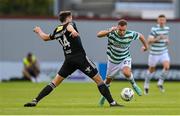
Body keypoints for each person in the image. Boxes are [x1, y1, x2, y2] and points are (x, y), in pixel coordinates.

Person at [24, 11, 122, 107]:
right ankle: (112, 103)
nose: (72, 19)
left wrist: (38, 31)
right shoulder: (70, 24)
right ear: (68, 18)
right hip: (81, 59)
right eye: (71, 17)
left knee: (54, 83)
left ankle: (35, 100)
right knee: (99, 81)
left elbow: (45, 38)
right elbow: (70, 27)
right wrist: (73, 31)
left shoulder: (57, 30)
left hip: (69, 61)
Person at [97, 19, 148, 106]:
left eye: (123, 30)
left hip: (125, 58)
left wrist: (145, 46)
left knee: (127, 73)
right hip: (112, 60)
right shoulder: (112, 33)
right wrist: (109, 31)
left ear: (126, 28)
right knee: (108, 81)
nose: (122, 32)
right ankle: (104, 97)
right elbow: (99, 34)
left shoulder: (130, 34)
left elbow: (141, 36)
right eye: (120, 30)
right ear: (117, 28)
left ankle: (134, 85)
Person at [144, 14, 170, 95]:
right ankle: (146, 84)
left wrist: (167, 41)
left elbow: (166, 39)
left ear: (165, 21)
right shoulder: (154, 29)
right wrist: (158, 38)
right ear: (158, 21)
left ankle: (160, 83)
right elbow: (149, 41)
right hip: (154, 53)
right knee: (151, 70)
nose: (162, 21)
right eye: (160, 20)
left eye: (163, 20)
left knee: (166, 67)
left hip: (163, 52)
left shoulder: (167, 28)